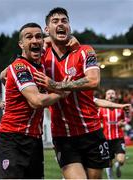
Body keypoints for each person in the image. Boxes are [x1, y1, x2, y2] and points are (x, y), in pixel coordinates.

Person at [34, 7, 110, 179]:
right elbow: (10, 72)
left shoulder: (85, 51)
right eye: (55, 21)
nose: (61, 24)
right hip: (63, 136)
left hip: (92, 131)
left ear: (69, 26)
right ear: (47, 29)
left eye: (64, 21)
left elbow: (93, 81)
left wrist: (57, 85)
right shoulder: (41, 56)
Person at [0, 22, 68, 179]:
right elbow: (36, 101)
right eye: (29, 37)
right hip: (12, 138)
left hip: (34, 139)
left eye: (38, 37)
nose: (35, 40)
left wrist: (8, 94)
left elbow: (2, 75)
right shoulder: (20, 67)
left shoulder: (39, 66)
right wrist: (61, 93)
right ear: (21, 44)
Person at [99, 89, 129, 179]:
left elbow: (124, 120)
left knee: (121, 160)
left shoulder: (120, 109)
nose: (111, 95)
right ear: (105, 97)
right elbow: (97, 121)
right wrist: (100, 125)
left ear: (115, 96)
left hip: (118, 138)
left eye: (112, 93)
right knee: (108, 162)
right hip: (105, 139)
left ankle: (118, 166)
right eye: (108, 94)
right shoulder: (101, 110)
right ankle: (110, 178)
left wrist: (122, 123)